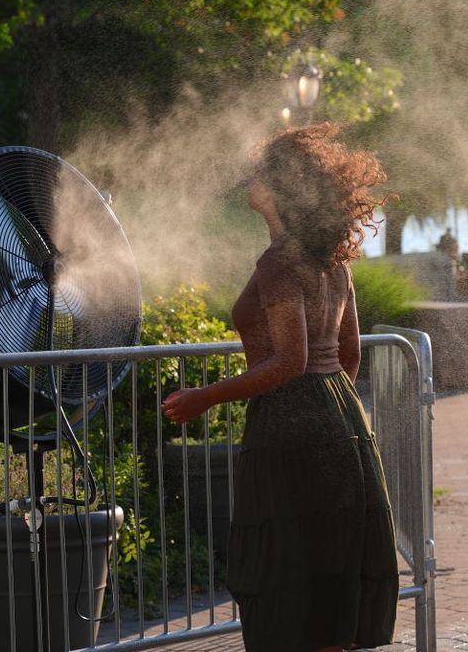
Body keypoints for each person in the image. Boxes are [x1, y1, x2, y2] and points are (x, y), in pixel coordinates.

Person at [161, 124, 399, 652]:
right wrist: (331, 414)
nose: (251, 178)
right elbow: (348, 354)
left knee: (288, 572)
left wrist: (204, 397)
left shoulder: (279, 263)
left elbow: (288, 361)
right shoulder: (332, 259)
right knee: (328, 570)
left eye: (261, 172)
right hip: (341, 417)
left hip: (290, 425)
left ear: (279, 190)